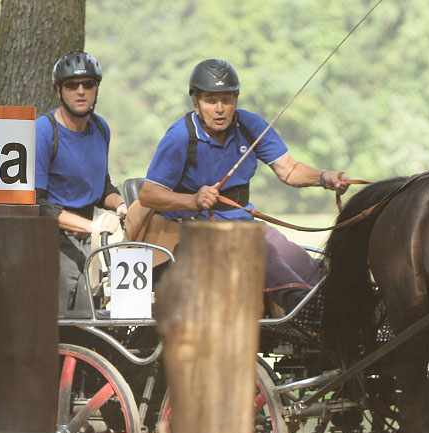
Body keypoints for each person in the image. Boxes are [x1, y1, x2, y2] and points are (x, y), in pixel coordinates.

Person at [137, 58, 349, 312]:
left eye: (226, 100)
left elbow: (289, 170)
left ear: (235, 100)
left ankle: (340, 307)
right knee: (263, 254)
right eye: (210, 100)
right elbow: (148, 194)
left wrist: (326, 178)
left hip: (243, 222)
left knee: (300, 261)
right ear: (195, 102)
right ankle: (308, 313)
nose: (219, 109)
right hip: (193, 231)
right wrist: (192, 200)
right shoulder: (180, 137)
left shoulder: (251, 126)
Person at [36, 51, 127, 313]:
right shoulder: (44, 131)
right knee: (56, 323)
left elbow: (102, 188)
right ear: (58, 90)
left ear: (97, 89)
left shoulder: (100, 128)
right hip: (52, 240)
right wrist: (94, 225)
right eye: (71, 85)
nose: (80, 91)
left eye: (88, 84)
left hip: (88, 240)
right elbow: (38, 203)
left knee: (88, 321)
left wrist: (120, 205)